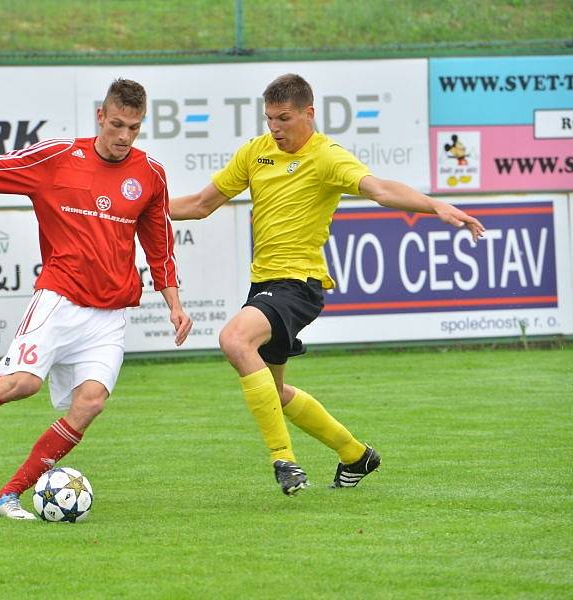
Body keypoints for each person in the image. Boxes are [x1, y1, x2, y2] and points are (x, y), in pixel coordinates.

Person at [0, 78, 193, 519]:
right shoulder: (57, 158)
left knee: (91, 402)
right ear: (100, 116)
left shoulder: (150, 174)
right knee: (20, 384)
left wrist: (174, 304)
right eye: (117, 124)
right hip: (60, 298)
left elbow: (159, 243)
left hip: (110, 316)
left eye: (134, 128)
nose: (124, 137)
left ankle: (5, 497)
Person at [169, 73, 485, 496]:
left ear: (308, 113)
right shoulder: (255, 153)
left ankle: (284, 460)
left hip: (298, 286)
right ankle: (356, 454)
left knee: (233, 340)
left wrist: (435, 206)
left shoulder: (327, 157)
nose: (275, 128)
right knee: (275, 392)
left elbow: (380, 190)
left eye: (283, 118)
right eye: (269, 119)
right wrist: (134, 209)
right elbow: (200, 204)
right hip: (264, 287)